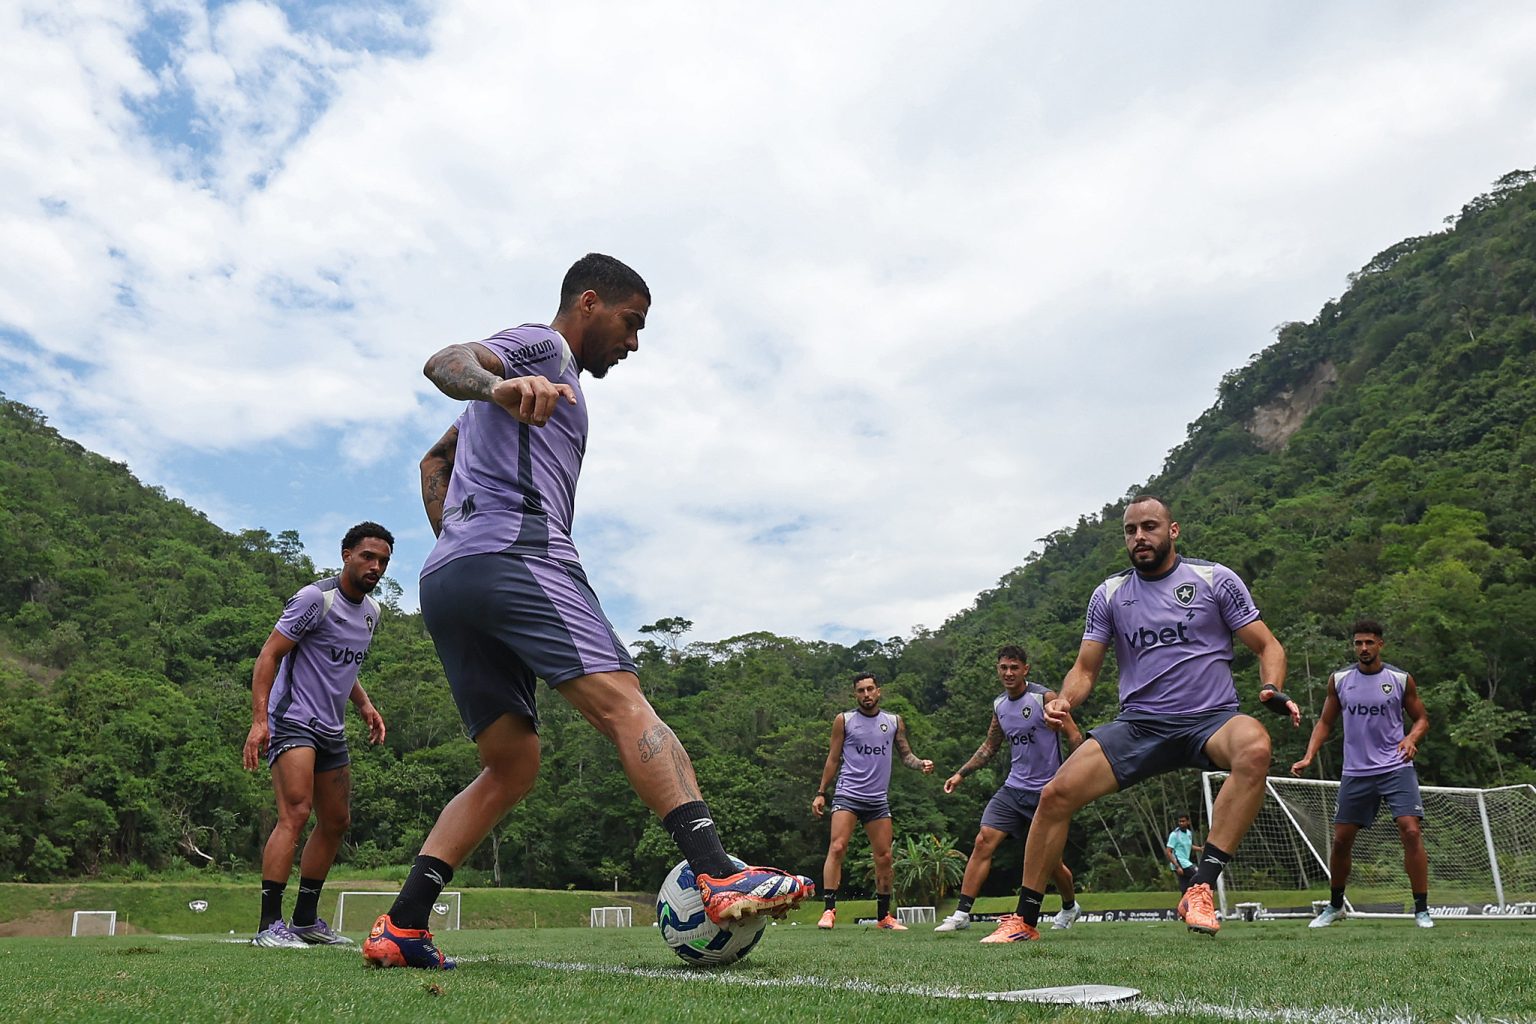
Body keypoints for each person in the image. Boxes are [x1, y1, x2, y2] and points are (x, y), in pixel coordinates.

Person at [363, 254, 813, 969]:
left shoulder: (546, 387)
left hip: (450, 577)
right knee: (623, 704)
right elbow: (445, 361)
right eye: (631, 324)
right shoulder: (546, 350)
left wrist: (457, 536)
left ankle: (403, 926)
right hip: (520, 556)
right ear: (591, 302)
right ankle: (718, 872)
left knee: (509, 769)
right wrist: (497, 382)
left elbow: (432, 463)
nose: (633, 343)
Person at [1003, 494, 1299, 942]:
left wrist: (1272, 688)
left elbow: (1268, 645)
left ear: (1172, 530)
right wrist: (1064, 700)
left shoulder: (1214, 580)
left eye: (1149, 527)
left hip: (1210, 719)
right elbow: (1085, 669)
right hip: (1140, 725)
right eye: (1130, 530)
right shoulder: (1109, 594)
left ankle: (1200, 886)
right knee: (1054, 794)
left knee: (1255, 746)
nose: (1139, 537)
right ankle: (1024, 920)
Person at [243, 522, 394, 948]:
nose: (375, 567)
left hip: (332, 727)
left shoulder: (371, 613)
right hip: (293, 720)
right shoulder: (316, 599)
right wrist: (260, 721)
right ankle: (268, 925)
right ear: (346, 554)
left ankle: (305, 920)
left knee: (336, 821)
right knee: (295, 813)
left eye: (383, 561)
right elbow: (269, 655)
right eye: (368, 556)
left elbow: (341, 665)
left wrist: (363, 704)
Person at [935, 644, 1084, 940]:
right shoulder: (1000, 706)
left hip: (1047, 794)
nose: (1008, 673)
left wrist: (1073, 778)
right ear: (997, 670)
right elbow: (990, 746)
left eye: (1014, 667)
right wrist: (960, 774)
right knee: (983, 841)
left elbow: (1075, 735)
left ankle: (1069, 907)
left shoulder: (1045, 698)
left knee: (1051, 864)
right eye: (1003, 667)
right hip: (1013, 789)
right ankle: (962, 913)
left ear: (1025, 670)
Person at [1291, 619, 1433, 929]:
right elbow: (1326, 723)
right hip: (1356, 771)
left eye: (1369, 642)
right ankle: (1335, 906)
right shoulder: (1340, 681)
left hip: (1396, 766)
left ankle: (1421, 910)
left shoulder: (1399, 679)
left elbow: (1421, 718)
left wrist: (1411, 738)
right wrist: (1308, 755)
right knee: (1341, 841)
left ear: (1380, 644)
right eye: (1358, 643)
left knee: (1410, 830)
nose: (1363, 648)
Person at [811, 672, 935, 931]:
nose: (866, 695)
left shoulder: (893, 722)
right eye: (860, 691)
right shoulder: (844, 721)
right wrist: (821, 791)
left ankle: (884, 917)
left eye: (870, 689)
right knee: (837, 847)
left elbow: (906, 755)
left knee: (884, 857)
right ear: (855, 694)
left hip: (877, 799)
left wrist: (920, 763)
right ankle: (829, 910)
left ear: (878, 691)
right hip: (848, 794)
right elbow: (833, 759)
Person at [1165, 813, 1203, 893]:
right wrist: (1177, 866)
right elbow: (1168, 851)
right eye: (1180, 821)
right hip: (1180, 862)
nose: (1181, 823)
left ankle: (1185, 904)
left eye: (1183, 821)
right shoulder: (1174, 835)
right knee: (1199, 876)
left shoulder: (1189, 833)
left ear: (1188, 822)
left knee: (1185, 888)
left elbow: (1188, 845)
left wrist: (1200, 849)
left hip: (1185, 862)